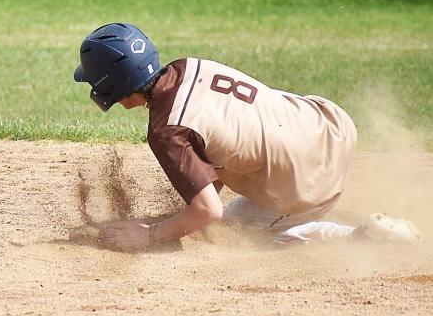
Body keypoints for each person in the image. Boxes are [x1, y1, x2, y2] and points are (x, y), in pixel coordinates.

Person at [72, 22, 422, 251]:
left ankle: (364, 238)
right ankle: (337, 211)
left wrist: (150, 234)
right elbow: (223, 138)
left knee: (239, 236)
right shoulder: (189, 66)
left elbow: (209, 211)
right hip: (331, 125)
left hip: (310, 179)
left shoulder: (166, 129)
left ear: (111, 87)